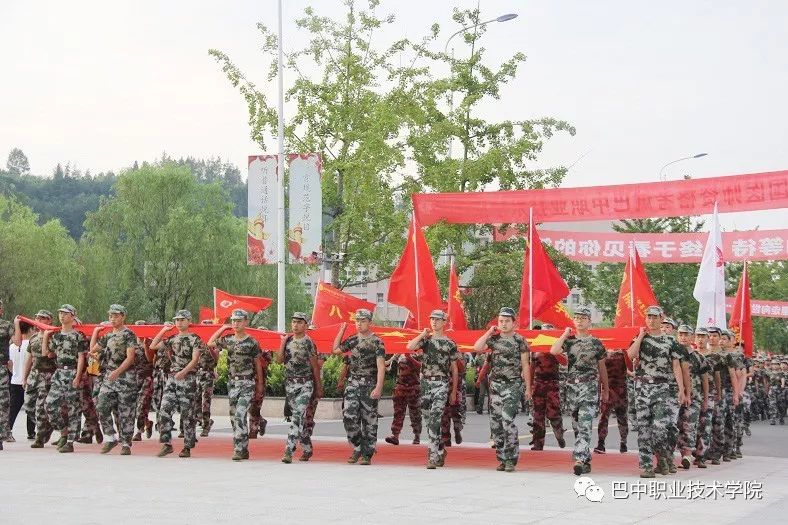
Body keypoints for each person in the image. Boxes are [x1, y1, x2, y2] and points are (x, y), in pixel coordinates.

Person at [627, 305, 686, 478]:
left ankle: (663, 458)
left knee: (660, 428)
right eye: (649, 317)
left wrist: (681, 389)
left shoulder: (670, 341)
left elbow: (676, 366)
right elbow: (630, 355)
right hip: (642, 387)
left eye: (655, 317)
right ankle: (646, 466)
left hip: (661, 388)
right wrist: (640, 336)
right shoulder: (641, 338)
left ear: (661, 318)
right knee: (644, 429)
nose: (651, 320)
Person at [551, 305, 608, 475]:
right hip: (572, 387)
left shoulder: (596, 343)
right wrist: (564, 334)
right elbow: (554, 350)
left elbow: (602, 368)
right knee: (576, 425)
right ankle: (586, 459)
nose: (579, 320)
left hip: (589, 386)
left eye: (583, 318)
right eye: (577, 318)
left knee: (585, 423)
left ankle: (579, 459)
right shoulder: (569, 341)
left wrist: (605, 389)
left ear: (589, 321)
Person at [474, 307, 531, 472]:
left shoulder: (520, 340)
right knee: (496, 424)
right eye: (501, 321)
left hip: (513, 385)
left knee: (507, 420)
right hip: (496, 386)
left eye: (507, 321)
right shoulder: (494, 339)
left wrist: (528, 388)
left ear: (514, 323)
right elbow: (477, 347)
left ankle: (511, 458)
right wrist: (488, 332)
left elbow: (526, 365)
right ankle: (502, 458)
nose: (503, 324)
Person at [208, 309, 264, 461]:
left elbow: (257, 363)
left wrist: (260, 383)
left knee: (240, 414)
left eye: (239, 321)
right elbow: (210, 343)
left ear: (245, 322)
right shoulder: (228, 340)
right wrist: (222, 328)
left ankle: (238, 449)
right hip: (232, 383)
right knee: (234, 418)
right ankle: (243, 448)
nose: (236, 323)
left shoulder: (252, 342)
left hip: (247, 383)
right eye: (233, 321)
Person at [407, 310, 459, 469]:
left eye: (437, 319)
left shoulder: (450, 344)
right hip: (425, 384)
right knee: (429, 421)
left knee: (435, 418)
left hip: (441, 383)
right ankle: (441, 449)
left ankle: (432, 457)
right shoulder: (426, 341)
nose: (434, 322)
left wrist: (453, 391)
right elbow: (410, 346)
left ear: (444, 322)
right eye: (432, 319)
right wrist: (422, 334)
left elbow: (454, 369)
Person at [332, 309, 386, 465]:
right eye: (357, 321)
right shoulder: (353, 340)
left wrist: (378, 387)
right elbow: (335, 350)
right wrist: (341, 331)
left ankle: (367, 454)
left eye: (363, 321)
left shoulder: (377, 342)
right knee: (348, 416)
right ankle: (357, 447)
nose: (359, 324)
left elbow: (381, 366)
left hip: (369, 384)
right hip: (353, 384)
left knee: (369, 421)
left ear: (370, 323)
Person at [150, 310, 202, 458]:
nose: (179, 322)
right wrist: (164, 330)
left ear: (189, 321)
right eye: (177, 320)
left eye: (182, 319)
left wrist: (184, 372)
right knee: (164, 410)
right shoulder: (172, 339)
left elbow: (195, 360)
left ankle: (187, 447)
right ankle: (167, 444)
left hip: (188, 379)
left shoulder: (195, 339)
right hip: (172, 379)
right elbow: (153, 346)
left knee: (187, 414)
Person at [90, 304, 139, 455]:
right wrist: (95, 333)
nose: (112, 319)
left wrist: (117, 372)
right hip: (109, 377)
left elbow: (130, 358)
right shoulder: (108, 336)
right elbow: (93, 349)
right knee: (101, 405)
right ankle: (110, 437)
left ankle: (126, 443)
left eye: (116, 316)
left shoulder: (129, 334)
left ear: (123, 317)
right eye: (110, 316)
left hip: (125, 377)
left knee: (126, 412)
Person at [276, 312, 322, 463]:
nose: (295, 325)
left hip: (305, 384)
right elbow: (279, 360)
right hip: (290, 384)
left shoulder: (309, 342)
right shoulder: (288, 340)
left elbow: (315, 366)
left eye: (299, 322)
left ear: (305, 325)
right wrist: (282, 343)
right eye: (294, 322)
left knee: (297, 416)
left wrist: (318, 387)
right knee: (299, 418)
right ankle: (307, 448)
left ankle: (288, 450)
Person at [42, 304, 89, 453]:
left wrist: (78, 376)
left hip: (72, 372)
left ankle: (70, 442)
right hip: (59, 373)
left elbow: (81, 357)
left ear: (73, 316)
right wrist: (46, 337)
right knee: (49, 405)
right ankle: (64, 431)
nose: (62, 316)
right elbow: (47, 354)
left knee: (72, 408)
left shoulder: (78, 336)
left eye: (65, 313)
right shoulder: (56, 336)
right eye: (60, 313)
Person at [18, 312, 55, 446]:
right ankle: (46, 426)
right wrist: (24, 377)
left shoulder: (54, 337)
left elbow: (52, 355)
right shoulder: (33, 337)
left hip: (47, 375)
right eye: (37, 318)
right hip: (34, 375)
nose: (38, 320)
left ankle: (40, 437)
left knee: (40, 407)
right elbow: (29, 358)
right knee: (28, 405)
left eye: (42, 318)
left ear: (50, 321)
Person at [676, 324, 710, 469]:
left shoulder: (698, 357)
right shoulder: (673, 355)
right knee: (677, 426)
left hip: (694, 398)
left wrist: (706, 399)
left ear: (692, 337)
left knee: (689, 426)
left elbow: (705, 380)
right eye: (681, 334)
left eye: (686, 334)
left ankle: (687, 456)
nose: (683, 337)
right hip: (675, 397)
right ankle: (682, 453)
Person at [528, 326, 565, 451]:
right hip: (538, 384)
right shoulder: (536, 348)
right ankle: (538, 443)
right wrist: (530, 385)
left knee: (553, 413)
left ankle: (559, 433)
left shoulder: (557, 347)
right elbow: (532, 367)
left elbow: (564, 362)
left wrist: (555, 352)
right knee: (538, 414)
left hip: (552, 384)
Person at [10, 315, 45, 442]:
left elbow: (10, 364)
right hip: (30, 380)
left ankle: (8, 430)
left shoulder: (12, 346)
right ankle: (31, 432)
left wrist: (15, 373)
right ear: (30, 330)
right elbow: (31, 363)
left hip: (15, 380)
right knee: (32, 406)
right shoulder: (31, 344)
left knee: (13, 408)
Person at [594, 345, 627, 455]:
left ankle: (623, 441)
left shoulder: (624, 351)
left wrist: (625, 352)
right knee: (604, 417)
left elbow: (630, 367)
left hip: (621, 389)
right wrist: (599, 391)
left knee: (622, 417)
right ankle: (601, 443)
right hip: (608, 389)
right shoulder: (604, 352)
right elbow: (600, 372)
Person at [385, 351, 422, 445]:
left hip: (413, 388)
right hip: (400, 388)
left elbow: (420, 367)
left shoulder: (420, 352)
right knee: (398, 412)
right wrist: (389, 360)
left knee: (415, 414)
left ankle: (417, 435)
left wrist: (409, 357)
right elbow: (388, 367)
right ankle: (395, 436)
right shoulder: (398, 353)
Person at [0, 298, 15, 450]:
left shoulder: (6, 325)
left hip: (1, 368)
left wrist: (16, 324)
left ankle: (2, 436)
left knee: (3, 402)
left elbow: (17, 341)